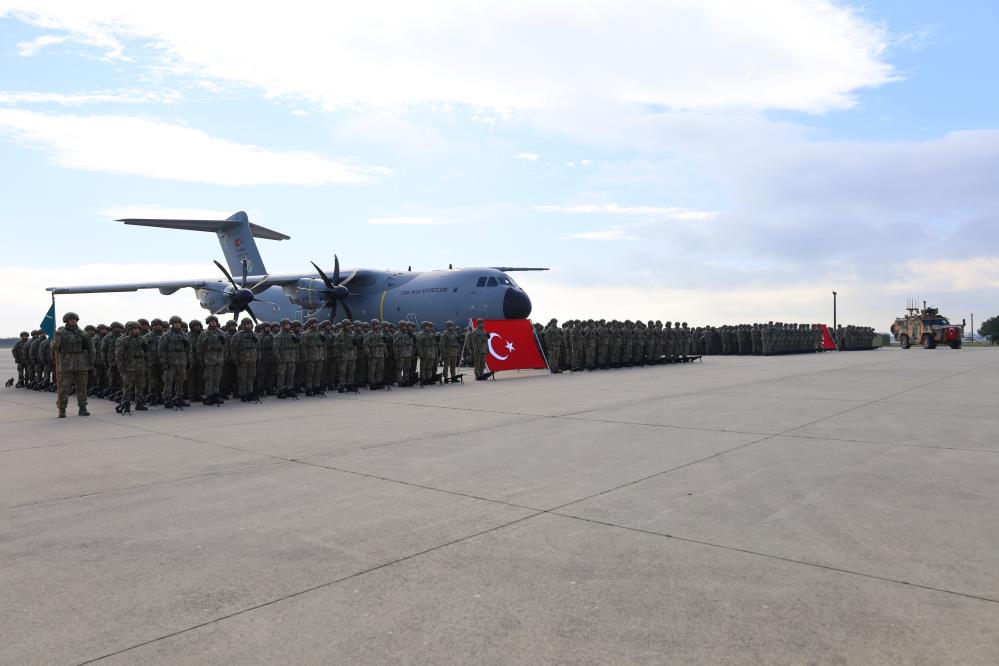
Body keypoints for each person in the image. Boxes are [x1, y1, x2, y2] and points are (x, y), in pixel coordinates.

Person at [51, 312, 94, 418]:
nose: (73, 321)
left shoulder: (83, 334)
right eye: (70, 319)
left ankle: (83, 408)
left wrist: (91, 362)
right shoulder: (61, 333)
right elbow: (54, 348)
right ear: (66, 321)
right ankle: (62, 409)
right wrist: (56, 339)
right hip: (66, 364)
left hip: (82, 364)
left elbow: (91, 349)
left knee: (82, 388)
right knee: (63, 388)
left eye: (74, 319)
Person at [158, 315, 192, 408]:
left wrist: (189, 361)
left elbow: (189, 349)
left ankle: (179, 397)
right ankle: (167, 398)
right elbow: (161, 349)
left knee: (180, 380)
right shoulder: (167, 335)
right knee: (168, 381)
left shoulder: (184, 335)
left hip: (182, 361)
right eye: (175, 323)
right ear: (172, 324)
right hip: (171, 362)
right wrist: (164, 362)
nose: (177, 324)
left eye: (178, 323)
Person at [115, 321, 149, 412]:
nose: (137, 330)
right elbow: (119, 355)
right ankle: (125, 403)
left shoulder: (142, 339)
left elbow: (147, 353)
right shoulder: (124, 340)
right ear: (129, 330)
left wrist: (147, 363)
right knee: (127, 387)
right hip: (129, 367)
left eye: (138, 329)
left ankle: (139, 403)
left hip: (141, 366)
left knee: (140, 385)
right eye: (134, 329)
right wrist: (121, 368)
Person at [196, 315, 228, 405]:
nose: (213, 323)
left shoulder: (221, 333)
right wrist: (200, 359)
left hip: (219, 359)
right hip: (208, 359)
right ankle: (209, 395)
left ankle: (216, 394)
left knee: (217, 378)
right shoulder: (204, 334)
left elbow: (226, 347)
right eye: (211, 321)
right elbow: (199, 348)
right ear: (208, 323)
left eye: (214, 321)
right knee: (209, 378)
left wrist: (225, 357)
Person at [229, 317, 261, 401]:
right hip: (242, 360)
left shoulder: (254, 335)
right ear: (243, 325)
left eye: (250, 324)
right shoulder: (238, 335)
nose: (248, 326)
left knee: (251, 376)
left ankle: (250, 392)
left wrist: (258, 358)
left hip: (253, 359)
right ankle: (243, 394)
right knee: (242, 377)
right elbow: (233, 348)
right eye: (247, 324)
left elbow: (258, 348)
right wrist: (235, 359)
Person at [272, 318, 298, 398]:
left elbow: (296, 346)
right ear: (282, 326)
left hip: (291, 359)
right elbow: (275, 348)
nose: (288, 326)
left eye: (289, 325)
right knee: (281, 376)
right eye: (286, 325)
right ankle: (280, 391)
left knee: (291, 375)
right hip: (282, 359)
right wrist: (278, 359)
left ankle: (289, 389)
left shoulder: (292, 334)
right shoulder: (279, 336)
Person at [363, 319, 387, 389]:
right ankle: (372, 382)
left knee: (380, 369)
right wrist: (368, 353)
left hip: (380, 354)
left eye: (378, 324)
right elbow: (365, 344)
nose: (378, 326)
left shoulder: (381, 333)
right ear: (373, 325)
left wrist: (385, 352)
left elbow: (384, 343)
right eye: (376, 324)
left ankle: (379, 382)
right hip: (373, 354)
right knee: (372, 369)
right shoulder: (369, 333)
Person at [336, 319, 357, 391]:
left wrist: (355, 354)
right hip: (343, 355)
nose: (348, 326)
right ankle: (342, 384)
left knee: (351, 370)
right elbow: (336, 346)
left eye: (349, 325)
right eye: (347, 325)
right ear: (343, 326)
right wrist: (338, 356)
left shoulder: (352, 334)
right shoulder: (339, 335)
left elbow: (355, 346)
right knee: (343, 371)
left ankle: (349, 384)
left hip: (351, 355)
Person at [394, 320, 414, 386]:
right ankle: (400, 381)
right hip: (400, 354)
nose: (405, 327)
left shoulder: (408, 334)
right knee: (399, 368)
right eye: (403, 326)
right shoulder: (397, 334)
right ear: (400, 326)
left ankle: (406, 380)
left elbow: (411, 344)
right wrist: (396, 355)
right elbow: (395, 345)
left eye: (405, 326)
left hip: (407, 354)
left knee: (407, 368)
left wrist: (411, 353)